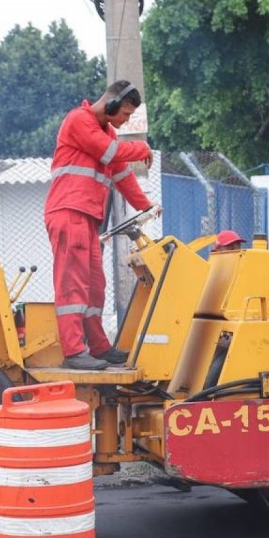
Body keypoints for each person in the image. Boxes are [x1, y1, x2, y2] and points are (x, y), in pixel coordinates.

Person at [45, 80, 161, 370]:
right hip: (69, 211)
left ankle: (98, 348)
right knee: (73, 283)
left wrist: (145, 205)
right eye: (123, 114)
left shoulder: (105, 132)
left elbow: (121, 174)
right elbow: (112, 154)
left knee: (95, 285)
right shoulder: (79, 121)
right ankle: (74, 352)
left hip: (86, 218)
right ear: (109, 105)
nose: (124, 122)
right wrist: (141, 147)